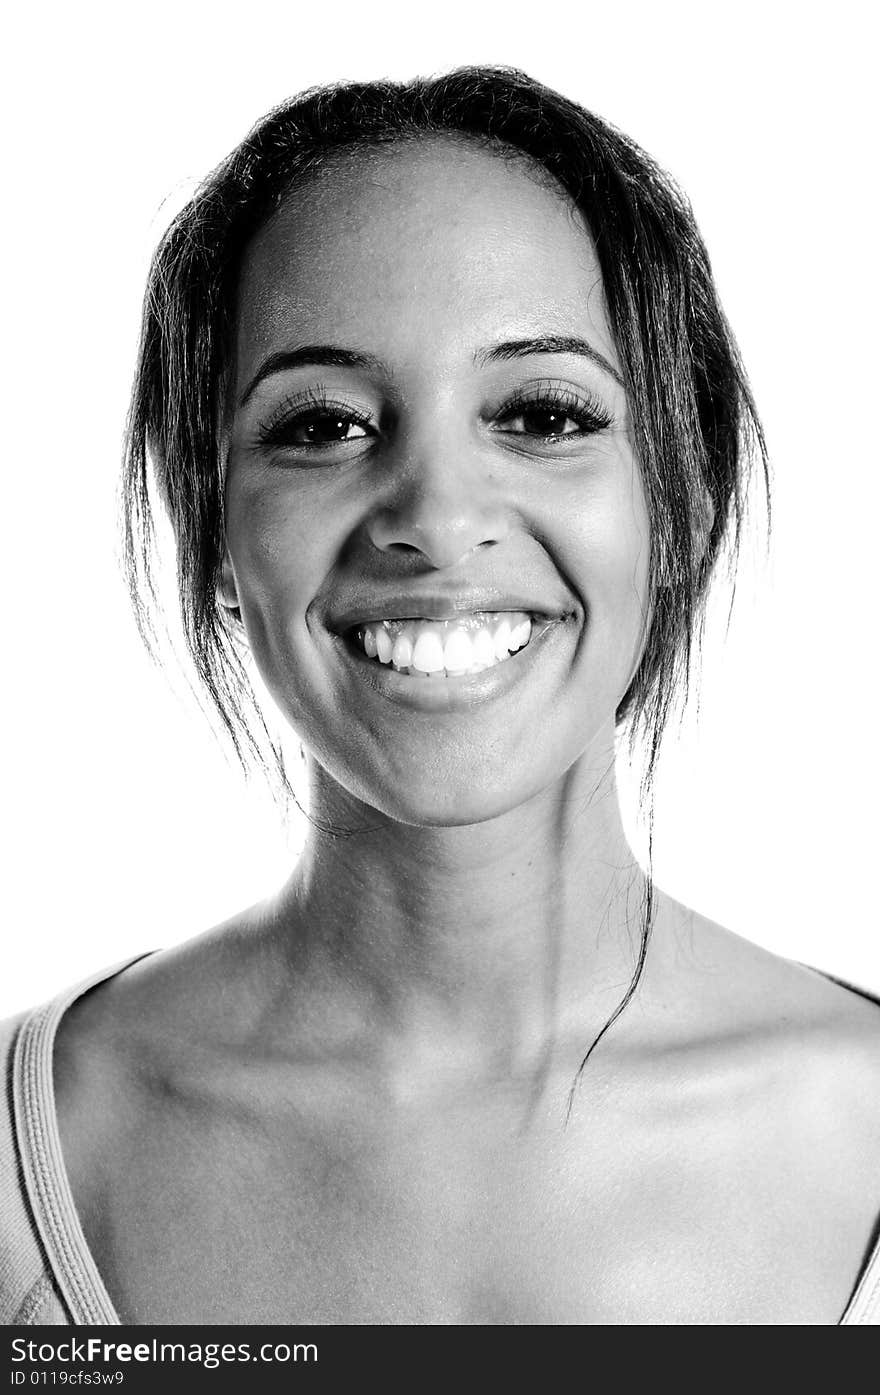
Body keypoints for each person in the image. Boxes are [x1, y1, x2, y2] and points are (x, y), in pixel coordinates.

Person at [2, 67, 878, 1328]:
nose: (434, 517)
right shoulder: (24, 1163)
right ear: (209, 535)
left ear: (679, 503)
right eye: (322, 426)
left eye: (538, 412)